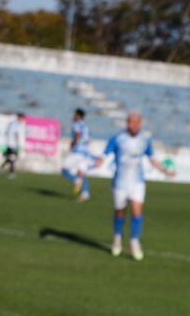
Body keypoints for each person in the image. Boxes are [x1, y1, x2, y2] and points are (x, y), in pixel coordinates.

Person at [93, 111, 175, 260]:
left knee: (137, 211)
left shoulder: (144, 140)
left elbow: (152, 159)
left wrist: (165, 170)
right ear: (127, 123)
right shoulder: (118, 139)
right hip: (120, 182)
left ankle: (134, 241)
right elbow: (104, 154)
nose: (135, 125)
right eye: (132, 122)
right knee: (120, 211)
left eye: (138, 123)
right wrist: (98, 162)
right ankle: (117, 238)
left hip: (137, 182)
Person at [61, 108, 94, 201]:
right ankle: (85, 193)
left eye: (75, 114)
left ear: (79, 116)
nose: (74, 116)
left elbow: (78, 134)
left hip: (77, 151)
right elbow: (88, 138)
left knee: (64, 170)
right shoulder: (85, 126)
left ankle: (76, 180)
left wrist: (73, 144)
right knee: (80, 173)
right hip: (85, 152)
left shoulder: (77, 124)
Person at [0, 112, 25, 179]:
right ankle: (11, 173)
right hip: (11, 144)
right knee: (12, 159)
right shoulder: (15, 124)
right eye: (21, 117)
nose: (22, 119)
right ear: (18, 117)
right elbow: (14, 134)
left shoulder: (18, 124)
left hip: (14, 145)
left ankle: (1, 169)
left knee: (9, 159)